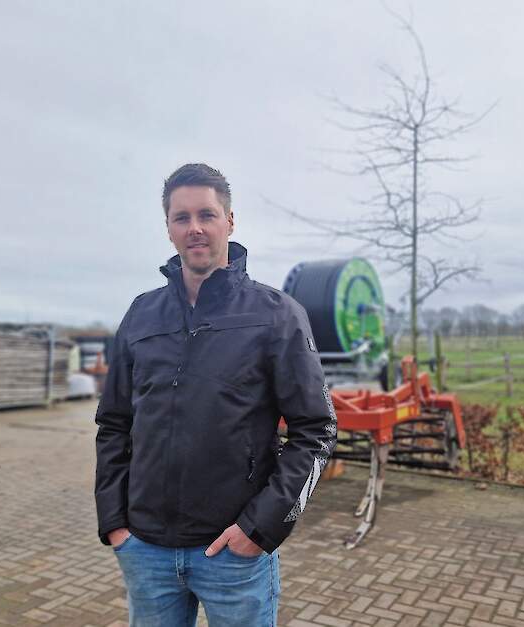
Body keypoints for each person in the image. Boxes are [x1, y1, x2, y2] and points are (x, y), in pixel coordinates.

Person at [95, 163, 337, 626]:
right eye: (181, 218)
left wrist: (261, 528)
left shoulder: (276, 315)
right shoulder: (141, 315)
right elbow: (113, 424)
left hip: (234, 553)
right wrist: (115, 523)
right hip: (147, 551)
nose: (195, 228)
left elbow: (316, 431)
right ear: (168, 228)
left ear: (230, 221)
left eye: (206, 214)